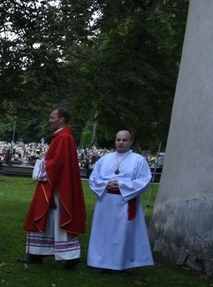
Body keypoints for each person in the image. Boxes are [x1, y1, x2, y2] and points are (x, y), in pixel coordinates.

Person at [19, 107, 86, 269]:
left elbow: (57, 164)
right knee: (46, 218)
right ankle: (37, 254)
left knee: (58, 220)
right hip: (54, 185)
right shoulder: (62, 137)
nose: (49, 120)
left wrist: (40, 164)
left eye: (52, 117)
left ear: (61, 119)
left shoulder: (63, 138)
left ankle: (71, 256)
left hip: (57, 188)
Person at [86, 130, 154, 273]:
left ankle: (119, 265)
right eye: (118, 140)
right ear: (115, 141)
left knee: (121, 233)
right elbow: (93, 178)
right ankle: (100, 262)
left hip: (125, 202)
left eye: (124, 140)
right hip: (106, 201)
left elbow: (144, 180)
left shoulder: (138, 160)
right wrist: (105, 185)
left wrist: (122, 186)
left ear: (131, 142)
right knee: (103, 232)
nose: (121, 143)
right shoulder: (105, 159)